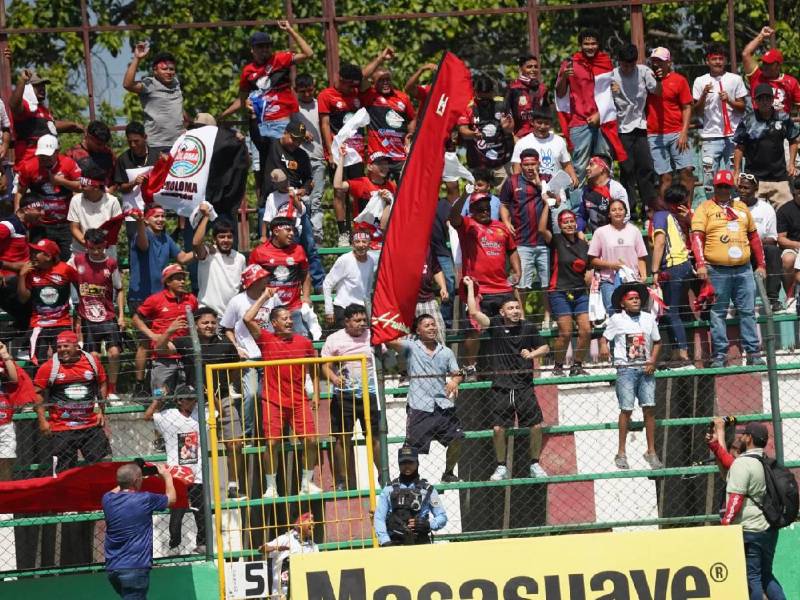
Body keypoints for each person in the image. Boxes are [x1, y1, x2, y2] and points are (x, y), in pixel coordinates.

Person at [464, 278, 550, 480]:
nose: (515, 311)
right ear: (502, 313)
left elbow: (545, 347)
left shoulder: (528, 327)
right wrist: (470, 288)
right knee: (497, 429)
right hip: (501, 387)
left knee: (536, 425)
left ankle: (535, 464)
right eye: (510, 308)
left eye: (517, 307)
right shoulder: (494, 325)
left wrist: (533, 354)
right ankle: (501, 466)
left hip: (523, 386)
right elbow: (474, 313)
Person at [243, 288, 322, 497]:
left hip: (298, 400)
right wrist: (264, 296)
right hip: (272, 400)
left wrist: (316, 392)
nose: (289, 322)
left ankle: (307, 483)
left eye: (289, 318)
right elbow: (247, 318)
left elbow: (314, 368)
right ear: (274, 323)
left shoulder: (304, 342)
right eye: (284, 319)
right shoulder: (267, 339)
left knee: (312, 440)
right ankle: (271, 487)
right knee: (272, 443)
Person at [165, 307, 246, 501]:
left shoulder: (225, 343)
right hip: (194, 402)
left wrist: (226, 387)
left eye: (212, 322)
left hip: (223, 397)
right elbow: (160, 349)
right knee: (189, 450)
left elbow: (235, 369)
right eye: (205, 322)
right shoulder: (185, 341)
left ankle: (233, 486)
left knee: (235, 442)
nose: (209, 326)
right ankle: (189, 489)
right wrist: (169, 330)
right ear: (196, 325)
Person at [690, 170, 766, 368]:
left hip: (744, 269)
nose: (723, 190)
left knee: (748, 311)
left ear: (732, 188)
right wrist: (700, 264)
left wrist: (761, 264)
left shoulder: (741, 207)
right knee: (718, 313)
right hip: (717, 269)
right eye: (720, 186)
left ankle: (753, 352)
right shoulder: (704, 208)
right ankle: (720, 355)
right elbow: (697, 237)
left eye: (727, 186)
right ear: (714, 188)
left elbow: (754, 238)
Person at [319, 52, 393, 246]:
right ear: (339, 79)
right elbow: (325, 125)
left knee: (361, 193)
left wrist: (380, 59)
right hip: (339, 153)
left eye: (355, 84)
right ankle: (344, 233)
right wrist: (330, 153)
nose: (353, 88)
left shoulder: (356, 92)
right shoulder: (327, 95)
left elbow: (364, 75)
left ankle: (363, 230)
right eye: (349, 84)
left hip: (358, 155)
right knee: (339, 192)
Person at [450, 191, 521, 379]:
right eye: (480, 208)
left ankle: (513, 363)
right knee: (475, 330)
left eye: (487, 208)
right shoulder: (467, 225)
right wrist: (463, 196)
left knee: (513, 327)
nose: (484, 211)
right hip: (478, 290)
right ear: (472, 210)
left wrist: (517, 271)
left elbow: (512, 250)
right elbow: (453, 217)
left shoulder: (501, 227)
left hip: (503, 289)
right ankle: (470, 368)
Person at [386, 315, 464, 482]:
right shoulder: (411, 347)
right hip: (419, 405)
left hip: (442, 405)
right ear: (418, 331)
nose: (432, 328)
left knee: (457, 438)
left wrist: (455, 381)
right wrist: (393, 324)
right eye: (427, 325)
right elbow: (389, 342)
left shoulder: (446, 352)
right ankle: (411, 479)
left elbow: (459, 373)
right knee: (411, 448)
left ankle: (448, 473)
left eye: (433, 325)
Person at [128, 207, 193, 396]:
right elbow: (143, 244)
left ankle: (163, 383)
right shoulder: (142, 233)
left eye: (164, 216)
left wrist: (201, 250)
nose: (161, 219)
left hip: (162, 296)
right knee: (146, 342)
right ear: (147, 220)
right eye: (156, 216)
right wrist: (139, 222)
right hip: (142, 296)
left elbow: (182, 257)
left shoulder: (166, 238)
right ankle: (139, 386)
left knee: (164, 340)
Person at [720, 421, 787, 600]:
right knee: (766, 575)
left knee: (752, 578)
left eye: (744, 434)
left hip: (750, 530)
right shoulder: (766, 462)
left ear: (749, 438)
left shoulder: (742, 464)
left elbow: (735, 498)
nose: (741, 437)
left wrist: (725, 523)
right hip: (769, 528)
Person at [601, 282, 662, 470]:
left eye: (637, 298)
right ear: (623, 303)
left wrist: (652, 360)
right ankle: (621, 452)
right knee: (626, 409)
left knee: (649, 408)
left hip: (646, 369)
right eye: (631, 299)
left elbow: (658, 342)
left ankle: (651, 451)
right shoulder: (616, 320)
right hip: (626, 369)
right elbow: (604, 338)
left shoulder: (648, 318)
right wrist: (604, 347)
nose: (635, 301)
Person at [321, 304, 382, 490]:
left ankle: (383, 475)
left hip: (369, 395)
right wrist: (333, 377)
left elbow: (386, 355)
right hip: (343, 396)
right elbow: (324, 364)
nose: (362, 324)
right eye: (357, 320)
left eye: (364, 320)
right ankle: (343, 479)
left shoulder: (373, 335)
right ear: (346, 322)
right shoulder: (334, 339)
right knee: (342, 438)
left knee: (375, 437)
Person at [33, 329, 110, 469]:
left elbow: (103, 382)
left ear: (77, 346)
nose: (62, 350)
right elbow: (37, 392)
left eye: (66, 346)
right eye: (59, 347)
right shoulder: (48, 367)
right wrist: (42, 420)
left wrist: (101, 410)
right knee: (65, 471)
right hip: (61, 427)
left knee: (101, 467)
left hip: (91, 425)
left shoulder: (92, 362)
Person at [144, 384, 205, 554]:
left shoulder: (200, 413)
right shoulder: (169, 416)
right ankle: (174, 544)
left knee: (201, 511)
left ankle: (202, 543)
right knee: (177, 512)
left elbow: (218, 413)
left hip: (198, 472)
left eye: (195, 399)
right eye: (190, 399)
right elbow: (147, 416)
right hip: (177, 473)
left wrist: (210, 395)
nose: (193, 402)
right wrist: (158, 400)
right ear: (179, 401)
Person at [222, 23, 314, 136]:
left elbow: (308, 53)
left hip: (281, 122)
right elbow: (242, 99)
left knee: (280, 153)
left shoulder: (279, 59)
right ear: (252, 49)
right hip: (259, 124)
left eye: (267, 46)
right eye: (260, 46)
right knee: (258, 154)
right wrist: (223, 116)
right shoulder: (248, 71)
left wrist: (290, 30)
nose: (264, 49)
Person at [554, 29, 621, 183]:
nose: (590, 47)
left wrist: (601, 114)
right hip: (579, 123)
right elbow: (560, 93)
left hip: (602, 122)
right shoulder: (570, 63)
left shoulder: (605, 62)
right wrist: (564, 77)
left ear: (598, 45)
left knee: (604, 165)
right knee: (579, 167)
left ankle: (603, 203)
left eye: (593, 43)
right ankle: (577, 206)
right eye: (586, 44)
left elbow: (608, 91)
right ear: (580, 45)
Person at [103, 463, 176, 599]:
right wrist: (167, 477)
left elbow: (120, 486)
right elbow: (171, 499)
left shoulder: (107, 499)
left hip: (113, 569)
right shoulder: (144, 499)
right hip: (135, 567)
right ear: (136, 480)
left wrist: (132, 475)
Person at [69, 229, 125, 400]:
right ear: (87, 245)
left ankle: (112, 390)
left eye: (100, 248)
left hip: (108, 316)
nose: (96, 252)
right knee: (93, 356)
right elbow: (61, 274)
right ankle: (97, 390)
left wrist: (121, 315)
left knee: (114, 353)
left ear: (105, 246)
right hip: (87, 318)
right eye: (92, 248)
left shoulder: (111, 263)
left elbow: (120, 289)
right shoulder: (76, 260)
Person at [221, 265, 275, 439]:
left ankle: (269, 431)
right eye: (261, 278)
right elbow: (227, 328)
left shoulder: (273, 299)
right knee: (251, 394)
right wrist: (236, 347)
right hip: (249, 356)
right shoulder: (237, 301)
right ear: (252, 282)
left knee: (264, 395)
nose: (265, 281)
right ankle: (248, 433)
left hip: (268, 355)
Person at [538, 206, 591, 376]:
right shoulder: (556, 240)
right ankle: (558, 366)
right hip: (559, 291)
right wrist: (547, 204)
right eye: (565, 222)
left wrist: (590, 273)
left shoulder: (584, 244)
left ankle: (577, 366)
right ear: (560, 225)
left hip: (580, 292)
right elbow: (541, 229)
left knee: (586, 330)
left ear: (576, 223)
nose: (569, 224)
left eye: (571, 221)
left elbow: (589, 266)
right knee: (566, 332)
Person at [499, 149, 550, 321]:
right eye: (526, 164)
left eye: (532, 164)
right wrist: (506, 222)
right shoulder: (512, 181)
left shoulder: (547, 179)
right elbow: (504, 204)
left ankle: (548, 318)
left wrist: (538, 184)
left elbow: (555, 201)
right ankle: (521, 318)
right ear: (521, 165)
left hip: (545, 241)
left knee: (546, 284)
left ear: (538, 163)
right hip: (521, 241)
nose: (529, 167)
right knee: (522, 285)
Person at [132, 264, 199, 394]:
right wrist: (152, 335)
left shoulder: (191, 299)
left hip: (187, 355)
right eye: (178, 279)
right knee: (161, 396)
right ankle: (155, 412)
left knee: (189, 395)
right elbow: (136, 318)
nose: (182, 281)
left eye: (183, 278)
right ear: (168, 282)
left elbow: (197, 321)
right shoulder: (155, 299)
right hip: (164, 355)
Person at [14, 134, 81, 260]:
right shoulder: (29, 166)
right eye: (41, 156)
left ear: (57, 152)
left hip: (65, 224)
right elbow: (20, 191)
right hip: (40, 224)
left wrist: (61, 182)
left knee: (69, 260)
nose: (44, 159)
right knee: (39, 260)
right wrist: (18, 213)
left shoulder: (68, 163)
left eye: (48, 156)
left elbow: (81, 186)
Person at [692, 43, 748, 195]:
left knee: (735, 175)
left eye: (720, 58)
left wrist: (729, 100)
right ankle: (712, 207)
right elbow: (696, 111)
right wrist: (703, 95)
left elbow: (743, 107)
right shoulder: (700, 81)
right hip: (710, 136)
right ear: (707, 61)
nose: (717, 62)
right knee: (710, 177)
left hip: (733, 135)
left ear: (725, 60)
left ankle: (735, 205)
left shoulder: (735, 79)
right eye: (714, 58)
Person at [612, 43, 660, 218]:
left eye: (631, 65)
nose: (628, 68)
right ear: (619, 62)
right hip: (621, 129)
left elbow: (657, 90)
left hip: (640, 126)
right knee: (627, 169)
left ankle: (649, 208)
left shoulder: (644, 71)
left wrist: (659, 76)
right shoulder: (612, 76)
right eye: (625, 65)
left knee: (646, 167)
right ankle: (629, 210)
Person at [732, 83, 799, 209]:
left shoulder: (783, 118)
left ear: (773, 100)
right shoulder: (747, 120)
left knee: (786, 214)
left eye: (767, 98)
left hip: (779, 179)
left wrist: (792, 163)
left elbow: (793, 140)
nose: (764, 101)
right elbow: (739, 147)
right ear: (755, 101)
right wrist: (736, 171)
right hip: (754, 180)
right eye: (760, 99)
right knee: (752, 216)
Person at [650, 185, 694, 364]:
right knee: (671, 311)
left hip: (672, 266)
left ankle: (682, 353)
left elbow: (660, 243)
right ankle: (676, 351)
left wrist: (654, 271)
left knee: (671, 312)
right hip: (683, 265)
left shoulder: (660, 216)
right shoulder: (673, 218)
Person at [248, 216, 311, 337]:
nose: (292, 234)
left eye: (293, 230)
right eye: (288, 230)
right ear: (276, 231)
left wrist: (306, 296)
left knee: (303, 340)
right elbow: (252, 280)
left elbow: (305, 273)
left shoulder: (298, 250)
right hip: (268, 309)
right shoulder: (259, 252)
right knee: (270, 345)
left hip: (294, 307)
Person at [18, 238, 78, 363]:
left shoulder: (65, 269)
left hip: (62, 323)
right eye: (32, 252)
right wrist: (22, 276)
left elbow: (80, 287)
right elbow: (23, 299)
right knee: (39, 362)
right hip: (38, 325)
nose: (32, 255)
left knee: (64, 361)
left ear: (48, 256)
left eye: (36, 252)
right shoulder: (30, 272)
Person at [373, 446, 447, 546]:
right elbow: (379, 518)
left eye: (410, 462)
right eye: (403, 463)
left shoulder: (428, 490)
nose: (407, 466)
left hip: (421, 542)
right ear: (399, 465)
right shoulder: (388, 490)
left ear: (417, 463)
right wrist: (385, 541)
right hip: (394, 543)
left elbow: (442, 516)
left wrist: (428, 524)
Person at [7, 66, 82, 164]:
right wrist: (22, 81)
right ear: (28, 88)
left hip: (49, 163)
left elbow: (51, 126)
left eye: (43, 85)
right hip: (29, 163)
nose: (42, 88)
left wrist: (74, 126)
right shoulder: (25, 106)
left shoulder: (44, 110)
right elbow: (13, 105)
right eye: (37, 85)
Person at [645, 47, 694, 197]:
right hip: (654, 135)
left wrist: (684, 132)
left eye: (660, 61)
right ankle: (666, 213)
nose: (656, 64)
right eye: (654, 61)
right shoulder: (647, 80)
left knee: (686, 172)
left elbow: (687, 107)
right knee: (664, 177)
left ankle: (687, 211)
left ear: (669, 63)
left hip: (676, 133)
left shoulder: (679, 80)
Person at [587, 198, 647, 314]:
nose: (617, 212)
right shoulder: (600, 232)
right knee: (614, 313)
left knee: (633, 314)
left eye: (620, 209)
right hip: (609, 281)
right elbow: (592, 260)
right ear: (609, 214)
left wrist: (643, 276)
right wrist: (611, 265)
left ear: (625, 212)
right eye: (614, 210)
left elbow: (641, 256)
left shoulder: (634, 231)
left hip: (631, 280)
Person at [123, 44, 185, 152]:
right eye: (164, 69)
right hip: (157, 145)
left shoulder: (176, 84)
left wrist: (189, 123)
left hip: (179, 144)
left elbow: (177, 108)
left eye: (171, 69)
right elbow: (127, 84)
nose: (169, 72)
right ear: (155, 71)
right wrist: (137, 58)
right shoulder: (150, 84)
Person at [0, 196, 44, 345]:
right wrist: (8, 267)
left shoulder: (24, 226)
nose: (42, 213)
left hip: (19, 281)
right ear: (26, 209)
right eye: (38, 209)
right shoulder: (8, 225)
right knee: (34, 312)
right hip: (7, 281)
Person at [333, 144, 396, 248]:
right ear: (369, 166)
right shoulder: (362, 182)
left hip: (384, 239)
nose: (384, 167)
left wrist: (388, 201)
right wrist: (341, 159)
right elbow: (337, 185)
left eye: (386, 164)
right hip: (363, 239)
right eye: (380, 164)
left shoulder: (392, 186)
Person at [510, 106, 579, 196]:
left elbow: (566, 164)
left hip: (556, 192)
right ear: (532, 122)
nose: (542, 126)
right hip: (531, 193)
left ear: (551, 124)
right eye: (539, 123)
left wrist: (573, 176)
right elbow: (517, 172)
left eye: (546, 123)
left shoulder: (559, 141)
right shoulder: (522, 143)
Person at [191, 203, 246, 317]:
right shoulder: (208, 253)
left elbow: (241, 288)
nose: (226, 240)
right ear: (214, 239)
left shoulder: (240, 258)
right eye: (221, 237)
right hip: (209, 316)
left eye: (229, 237)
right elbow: (196, 243)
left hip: (232, 316)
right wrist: (206, 216)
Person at [737, 173, 782, 311]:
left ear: (755, 189)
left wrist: (755, 243)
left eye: (746, 188)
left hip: (759, 250)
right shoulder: (733, 205)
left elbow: (773, 238)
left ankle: (773, 299)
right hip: (737, 249)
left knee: (773, 251)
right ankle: (736, 303)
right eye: (740, 187)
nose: (742, 191)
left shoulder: (766, 208)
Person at [361, 67, 416, 178]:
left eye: (388, 79)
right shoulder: (369, 95)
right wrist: (381, 57)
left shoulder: (403, 97)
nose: (385, 83)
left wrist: (410, 136)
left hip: (400, 156)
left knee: (403, 192)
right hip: (379, 157)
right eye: (381, 80)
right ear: (373, 82)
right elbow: (362, 77)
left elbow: (412, 119)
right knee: (381, 192)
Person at [457, 76, 514, 180]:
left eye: (487, 98)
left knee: (504, 194)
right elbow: (462, 130)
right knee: (480, 195)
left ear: (492, 92)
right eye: (481, 98)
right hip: (478, 163)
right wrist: (472, 134)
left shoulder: (502, 103)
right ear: (476, 92)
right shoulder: (468, 107)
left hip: (501, 162)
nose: (484, 102)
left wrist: (507, 126)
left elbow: (510, 128)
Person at [113, 121, 159, 243]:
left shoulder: (157, 156)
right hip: (133, 213)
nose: (133, 145)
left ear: (145, 138)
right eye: (129, 142)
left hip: (155, 211)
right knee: (135, 248)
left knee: (156, 247)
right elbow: (120, 187)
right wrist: (134, 183)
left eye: (136, 141)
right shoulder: (123, 159)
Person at [293, 74, 326, 243]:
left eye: (310, 91)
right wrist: (301, 131)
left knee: (317, 200)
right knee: (302, 199)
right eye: (303, 92)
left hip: (318, 157)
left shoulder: (320, 105)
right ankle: (302, 237)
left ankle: (318, 237)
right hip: (299, 159)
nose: (307, 95)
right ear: (296, 91)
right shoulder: (293, 108)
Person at [322, 226, 375, 328]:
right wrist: (329, 310)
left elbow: (367, 288)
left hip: (363, 310)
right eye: (357, 241)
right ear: (352, 243)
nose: (361, 245)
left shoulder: (371, 261)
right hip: (344, 309)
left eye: (364, 241)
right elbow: (327, 284)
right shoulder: (344, 260)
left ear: (369, 244)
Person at [742, 26, 800, 116]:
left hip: (781, 125)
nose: (765, 66)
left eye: (769, 64)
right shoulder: (756, 76)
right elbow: (746, 54)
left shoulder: (791, 82)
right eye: (764, 63)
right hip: (758, 125)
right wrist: (761, 36)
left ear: (778, 66)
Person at [260, 512, 319, 599]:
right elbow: (262, 548)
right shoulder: (287, 539)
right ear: (299, 524)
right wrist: (277, 547)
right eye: (309, 520)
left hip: (302, 592)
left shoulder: (314, 546)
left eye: (313, 521)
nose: (313, 523)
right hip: (281, 594)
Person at [67, 172, 123, 257]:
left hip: (106, 253)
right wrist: (89, 245)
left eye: (84, 186)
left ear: (96, 187)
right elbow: (74, 228)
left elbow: (114, 229)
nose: (80, 188)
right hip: (80, 252)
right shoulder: (76, 200)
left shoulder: (113, 202)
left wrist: (98, 247)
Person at [575, 155, 630, 234]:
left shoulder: (616, 188)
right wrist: (579, 230)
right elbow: (581, 216)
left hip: (616, 235)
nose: (587, 168)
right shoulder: (586, 190)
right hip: (596, 238)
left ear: (602, 168)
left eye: (591, 164)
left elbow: (625, 216)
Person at [504, 54, 549, 139]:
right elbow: (507, 114)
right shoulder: (513, 88)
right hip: (519, 136)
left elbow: (546, 113)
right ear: (521, 68)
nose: (533, 69)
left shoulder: (543, 88)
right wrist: (513, 136)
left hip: (539, 135)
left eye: (535, 67)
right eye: (529, 67)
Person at [65, 120, 116, 186]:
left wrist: (110, 191)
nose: (102, 147)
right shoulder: (72, 154)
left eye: (104, 144)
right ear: (87, 136)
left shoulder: (109, 154)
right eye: (98, 144)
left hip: (105, 194)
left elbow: (117, 180)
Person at [0, 342, 24, 481]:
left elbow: (15, 379)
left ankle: (4, 494)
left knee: (5, 462)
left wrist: (4, 354)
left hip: (4, 423)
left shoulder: (3, 363)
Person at [775, 179, 800, 299]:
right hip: (793, 246)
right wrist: (797, 245)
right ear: (795, 192)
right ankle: (790, 297)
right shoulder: (784, 210)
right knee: (788, 259)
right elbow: (781, 239)